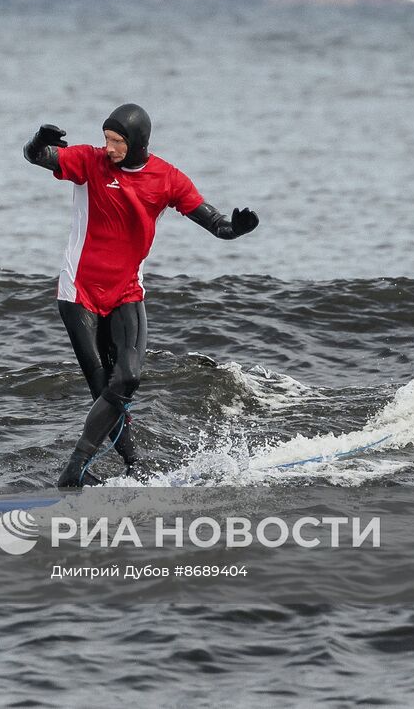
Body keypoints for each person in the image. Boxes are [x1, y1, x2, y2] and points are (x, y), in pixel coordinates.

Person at [24, 103, 259, 487]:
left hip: (126, 292)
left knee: (128, 378)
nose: (109, 147)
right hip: (78, 293)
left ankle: (76, 468)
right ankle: (126, 466)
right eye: (106, 138)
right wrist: (38, 142)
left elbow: (216, 224)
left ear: (136, 143)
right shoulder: (89, 161)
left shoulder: (166, 178)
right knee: (103, 389)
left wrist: (237, 229)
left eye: (117, 141)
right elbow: (38, 157)